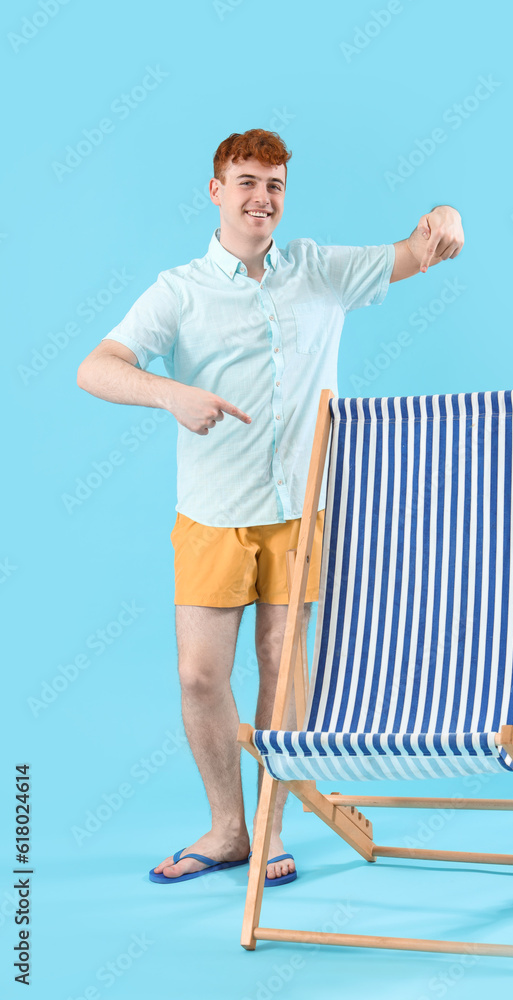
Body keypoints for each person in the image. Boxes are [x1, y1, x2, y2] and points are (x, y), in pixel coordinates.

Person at [76, 128, 464, 886]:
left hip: (301, 512)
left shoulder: (320, 270)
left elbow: (422, 246)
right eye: (246, 182)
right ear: (216, 191)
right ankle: (226, 829)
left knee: (283, 668)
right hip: (214, 514)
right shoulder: (178, 288)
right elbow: (96, 366)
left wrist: (447, 214)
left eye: (275, 185)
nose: (261, 198)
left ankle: (271, 827)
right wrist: (169, 393)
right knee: (199, 676)